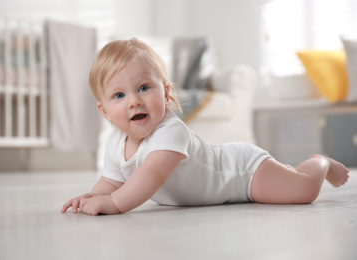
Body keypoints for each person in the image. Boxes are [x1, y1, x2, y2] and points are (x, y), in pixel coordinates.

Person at [61, 38, 349, 216]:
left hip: (243, 173)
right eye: (119, 96)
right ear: (105, 111)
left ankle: (319, 163)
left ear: (164, 92)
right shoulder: (116, 144)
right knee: (286, 181)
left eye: (144, 88)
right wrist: (94, 196)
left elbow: (151, 174)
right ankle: (286, 170)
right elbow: (111, 182)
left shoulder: (170, 131)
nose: (134, 102)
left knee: (304, 191)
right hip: (228, 174)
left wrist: (113, 204)